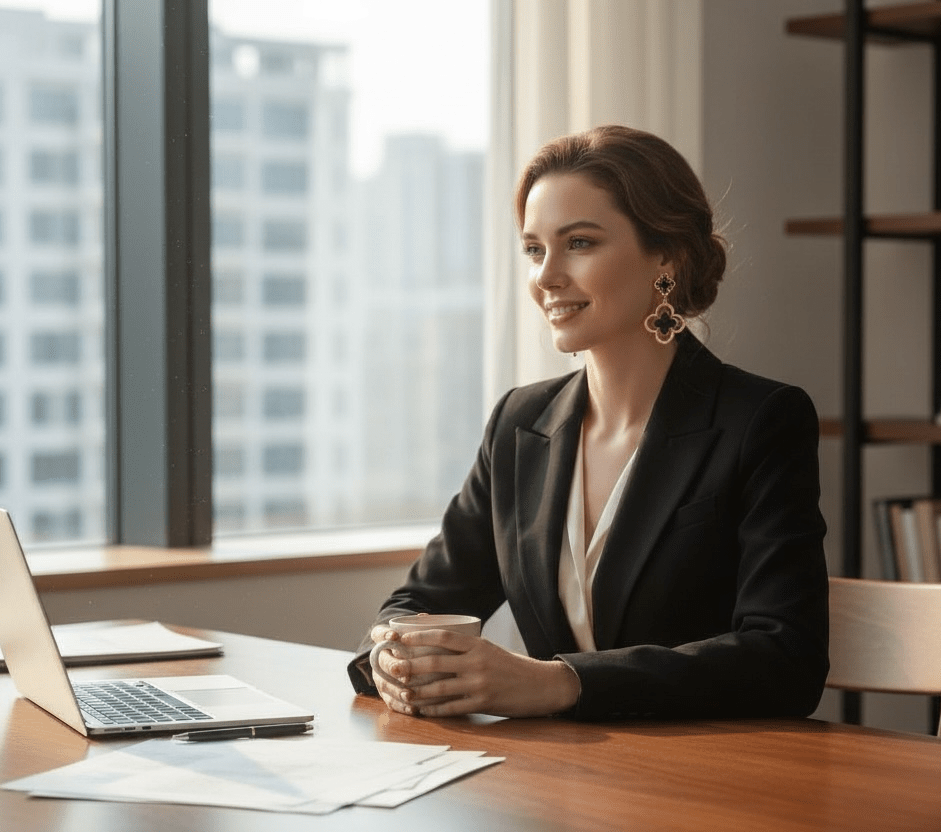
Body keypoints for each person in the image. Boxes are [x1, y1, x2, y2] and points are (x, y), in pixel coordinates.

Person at [347, 124, 828, 720]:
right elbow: (416, 602)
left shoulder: (760, 421)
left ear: (667, 256)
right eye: (533, 249)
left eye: (578, 243)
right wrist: (393, 658)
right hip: (556, 783)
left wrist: (558, 683)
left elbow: (786, 659)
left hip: (703, 781)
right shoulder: (519, 423)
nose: (546, 276)